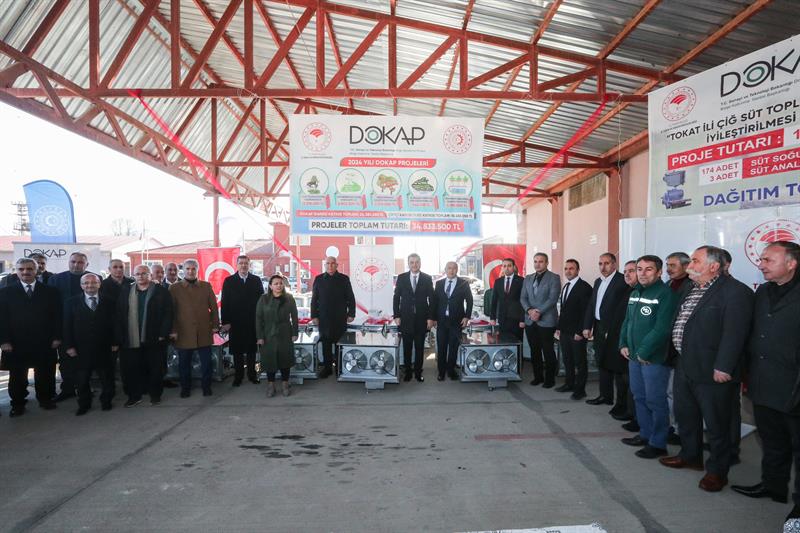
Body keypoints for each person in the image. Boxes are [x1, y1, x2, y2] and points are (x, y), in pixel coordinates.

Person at [659, 246, 754, 492]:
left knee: (717, 423)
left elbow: (735, 334)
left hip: (714, 370)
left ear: (714, 266)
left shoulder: (736, 292)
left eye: (695, 260)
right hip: (684, 363)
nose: (690, 265)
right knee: (686, 415)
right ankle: (690, 456)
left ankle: (717, 471)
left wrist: (724, 366)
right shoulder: (691, 287)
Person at [731, 241, 800, 528]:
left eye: (768, 260)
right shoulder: (762, 292)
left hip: (794, 388)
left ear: (792, 263)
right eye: (761, 259)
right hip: (763, 383)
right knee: (772, 441)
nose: (761, 265)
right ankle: (773, 486)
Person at [619, 255, 677, 459]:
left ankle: (658, 443)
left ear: (659, 272)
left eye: (648, 269)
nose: (642, 273)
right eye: (639, 269)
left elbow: (662, 329)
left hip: (652, 358)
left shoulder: (665, 294)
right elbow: (627, 322)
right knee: (639, 396)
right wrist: (623, 343)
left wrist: (644, 351)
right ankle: (645, 434)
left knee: (655, 400)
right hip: (634, 357)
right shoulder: (635, 292)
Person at [0, 258, 62, 417]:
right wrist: (4, 341)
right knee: (17, 376)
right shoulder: (5, 292)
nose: (25, 272)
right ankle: (18, 404)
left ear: (36, 270)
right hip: (16, 342)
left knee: (45, 373)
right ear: (16, 271)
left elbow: (57, 316)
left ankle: (45, 399)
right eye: (21, 269)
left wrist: (57, 337)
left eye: (29, 269)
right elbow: (2, 319)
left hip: (45, 341)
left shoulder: (50, 291)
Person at [113, 265, 173, 407]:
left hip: (154, 337)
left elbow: (168, 313)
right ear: (133, 276)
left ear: (150, 275)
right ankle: (134, 396)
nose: (140, 276)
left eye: (144, 273)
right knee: (132, 369)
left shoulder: (160, 291)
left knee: (155, 369)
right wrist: (119, 336)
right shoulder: (126, 290)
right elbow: (119, 314)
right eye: (137, 274)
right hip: (131, 338)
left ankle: (155, 395)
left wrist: (163, 333)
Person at [62, 273, 117, 415]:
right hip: (80, 349)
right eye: (86, 283)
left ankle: (106, 401)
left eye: (93, 282)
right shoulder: (71, 302)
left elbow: (115, 324)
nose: (90, 285)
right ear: (81, 285)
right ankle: (84, 404)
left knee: (107, 378)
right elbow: (66, 326)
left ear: (99, 284)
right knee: (82, 380)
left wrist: (115, 342)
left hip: (104, 347)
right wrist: (69, 346)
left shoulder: (110, 301)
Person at [583, 253, 630, 414]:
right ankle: (605, 396)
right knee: (601, 362)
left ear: (614, 264)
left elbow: (622, 310)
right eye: (600, 263)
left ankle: (622, 403)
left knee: (616, 366)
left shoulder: (622, 281)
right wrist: (587, 325)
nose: (603, 267)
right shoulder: (598, 281)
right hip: (598, 326)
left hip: (614, 329)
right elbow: (592, 305)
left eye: (607, 263)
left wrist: (612, 330)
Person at [169, 259, 219, 397]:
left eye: (193, 269)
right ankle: (185, 388)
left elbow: (214, 308)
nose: (190, 271)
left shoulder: (206, 286)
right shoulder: (174, 288)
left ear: (197, 270)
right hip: (183, 331)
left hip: (203, 330)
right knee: (184, 363)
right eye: (188, 269)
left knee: (207, 363)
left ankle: (206, 387)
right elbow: (171, 311)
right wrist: (173, 330)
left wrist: (215, 325)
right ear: (183, 270)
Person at [49, 251, 91, 402]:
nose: (76, 265)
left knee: (85, 361)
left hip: (87, 329)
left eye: (80, 262)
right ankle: (67, 390)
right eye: (73, 261)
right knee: (66, 362)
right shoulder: (56, 279)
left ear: (86, 264)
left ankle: (84, 389)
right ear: (69, 262)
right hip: (63, 327)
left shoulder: (94, 278)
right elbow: (51, 307)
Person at [221, 255, 265, 386]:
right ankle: (238, 377)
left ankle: (252, 375)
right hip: (235, 322)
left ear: (249, 265)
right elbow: (225, 302)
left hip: (252, 321)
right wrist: (225, 322)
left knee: (252, 351)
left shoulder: (256, 280)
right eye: (241, 263)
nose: (243, 265)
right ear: (237, 265)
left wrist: (261, 320)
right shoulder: (229, 281)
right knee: (237, 351)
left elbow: (262, 301)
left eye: (246, 263)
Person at [310, 256, 356, 378]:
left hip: (340, 317)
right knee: (326, 344)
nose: (330, 266)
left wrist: (351, 314)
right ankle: (327, 368)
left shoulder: (344, 279)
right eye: (328, 263)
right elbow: (314, 300)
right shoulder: (319, 279)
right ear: (325, 265)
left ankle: (339, 368)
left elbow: (350, 298)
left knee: (339, 344)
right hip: (324, 317)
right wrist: (314, 315)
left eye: (332, 263)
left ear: (337, 265)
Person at [521, 253, 561, 387]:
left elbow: (552, 299)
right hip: (530, 320)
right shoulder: (528, 278)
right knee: (535, 350)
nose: (537, 264)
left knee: (548, 350)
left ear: (547, 263)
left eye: (541, 261)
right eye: (535, 261)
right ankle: (538, 377)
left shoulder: (554, 278)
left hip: (547, 320)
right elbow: (523, 298)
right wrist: (529, 311)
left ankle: (550, 379)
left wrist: (538, 311)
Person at [393, 253, 434, 382]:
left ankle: (418, 372)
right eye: (412, 262)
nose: (414, 265)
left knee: (420, 348)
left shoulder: (427, 278)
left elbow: (432, 299)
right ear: (408, 264)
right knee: (407, 347)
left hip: (421, 320)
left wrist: (430, 318)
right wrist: (397, 315)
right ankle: (408, 373)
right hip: (405, 319)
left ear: (420, 263)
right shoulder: (402, 278)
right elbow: (396, 297)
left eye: (416, 262)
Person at [256, 275, 299, 397]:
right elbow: (258, 318)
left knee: (285, 358)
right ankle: (271, 385)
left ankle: (285, 383)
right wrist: (260, 336)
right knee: (269, 359)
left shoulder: (289, 298)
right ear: (270, 286)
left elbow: (294, 317)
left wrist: (295, 333)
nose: (279, 285)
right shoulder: (263, 299)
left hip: (285, 332)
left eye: (280, 283)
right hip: (268, 333)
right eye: (276, 283)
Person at [555, 259, 592, 400]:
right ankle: (569, 384)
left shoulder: (584, 287)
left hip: (577, 333)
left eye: (571, 268)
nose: (568, 271)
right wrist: (559, 328)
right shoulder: (566, 286)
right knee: (567, 360)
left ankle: (580, 390)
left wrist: (580, 331)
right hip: (565, 331)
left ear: (578, 270)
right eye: (566, 268)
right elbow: (563, 310)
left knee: (580, 362)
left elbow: (586, 312)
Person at [665, 251, 691, 445]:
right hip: (667, 347)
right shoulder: (668, 285)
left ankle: (682, 430)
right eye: (667, 265)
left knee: (679, 394)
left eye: (672, 265)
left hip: (683, 350)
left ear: (686, 266)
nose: (669, 269)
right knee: (670, 392)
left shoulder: (691, 286)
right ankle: (673, 426)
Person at [432, 261, 473, 381]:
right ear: (445, 270)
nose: (451, 270)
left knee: (454, 347)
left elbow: (469, 301)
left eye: (454, 268)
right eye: (449, 268)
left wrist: (467, 316)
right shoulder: (439, 284)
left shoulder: (463, 283)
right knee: (442, 346)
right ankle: (441, 372)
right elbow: (434, 302)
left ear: (457, 270)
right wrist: (434, 318)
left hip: (456, 321)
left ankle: (451, 370)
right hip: (441, 320)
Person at [619, 260, 639, 431]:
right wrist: (623, 343)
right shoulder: (631, 291)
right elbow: (627, 321)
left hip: (642, 352)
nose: (627, 274)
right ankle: (633, 416)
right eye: (625, 271)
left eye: (632, 270)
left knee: (643, 392)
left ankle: (639, 421)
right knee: (633, 385)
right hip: (629, 348)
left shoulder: (656, 293)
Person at [488, 257, 525, 342]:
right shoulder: (498, 282)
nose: (507, 268)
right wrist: (492, 318)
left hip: (516, 320)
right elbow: (494, 301)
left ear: (513, 267)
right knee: (503, 343)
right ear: (502, 268)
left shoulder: (521, 281)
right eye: (504, 266)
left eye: (509, 266)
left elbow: (523, 301)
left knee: (517, 343)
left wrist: (522, 319)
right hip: (502, 319)